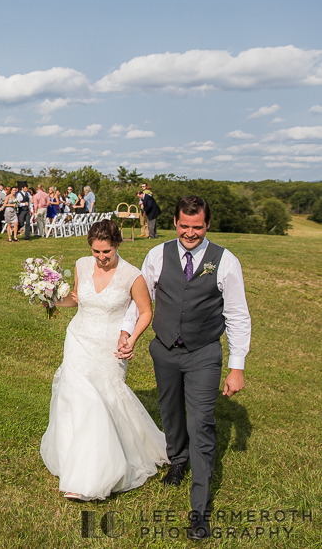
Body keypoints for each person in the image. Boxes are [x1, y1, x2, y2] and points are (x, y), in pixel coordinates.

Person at [117, 196, 251, 540]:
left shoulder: (225, 261)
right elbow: (141, 299)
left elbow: (237, 315)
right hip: (164, 349)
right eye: (184, 226)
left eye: (198, 227)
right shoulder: (156, 255)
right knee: (171, 410)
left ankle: (199, 510)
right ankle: (177, 460)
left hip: (203, 353)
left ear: (207, 225)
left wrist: (237, 367)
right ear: (175, 223)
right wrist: (128, 334)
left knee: (201, 422)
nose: (190, 233)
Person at [41, 219, 168, 501]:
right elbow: (76, 299)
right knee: (78, 398)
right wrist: (51, 299)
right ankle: (73, 463)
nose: (101, 258)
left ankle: (101, 470)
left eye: (106, 252)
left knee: (103, 401)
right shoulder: (82, 265)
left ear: (117, 245)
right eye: (96, 252)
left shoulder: (132, 276)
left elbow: (146, 312)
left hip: (110, 348)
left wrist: (131, 339)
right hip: (78, 339)